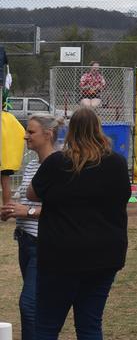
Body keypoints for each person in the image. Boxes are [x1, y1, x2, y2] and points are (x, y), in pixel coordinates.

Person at [28, 106, 130, 340]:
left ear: (71, 131)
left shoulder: (57, 163)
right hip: (104, 256)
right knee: (90, 325)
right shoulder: (116, 163)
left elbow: (32, 193)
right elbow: (123, 197)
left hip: (60, 257)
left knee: (47, 326)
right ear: (99, 130)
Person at [1, 112, 61, 340]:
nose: (25, 136)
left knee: (29, 304)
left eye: (31, 132)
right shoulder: (32, 166)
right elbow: (21, 200)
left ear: (48, 135)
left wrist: (27, 211)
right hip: (25, 242)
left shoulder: (58, 165)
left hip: (43, 244)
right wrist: (8, 210)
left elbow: (64, 207)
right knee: (36, 303)